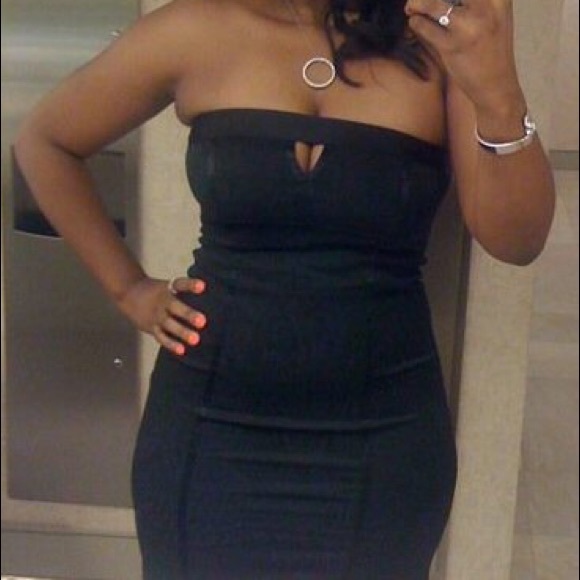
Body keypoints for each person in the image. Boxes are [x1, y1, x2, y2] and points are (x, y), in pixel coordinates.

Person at [14, 0, 555, 578]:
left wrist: (498, 92)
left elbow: (516, 240)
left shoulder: (435, 40)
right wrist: (130, 290)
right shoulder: (194, 28)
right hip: (208, 429)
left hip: (382, 438)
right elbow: (46, 141)